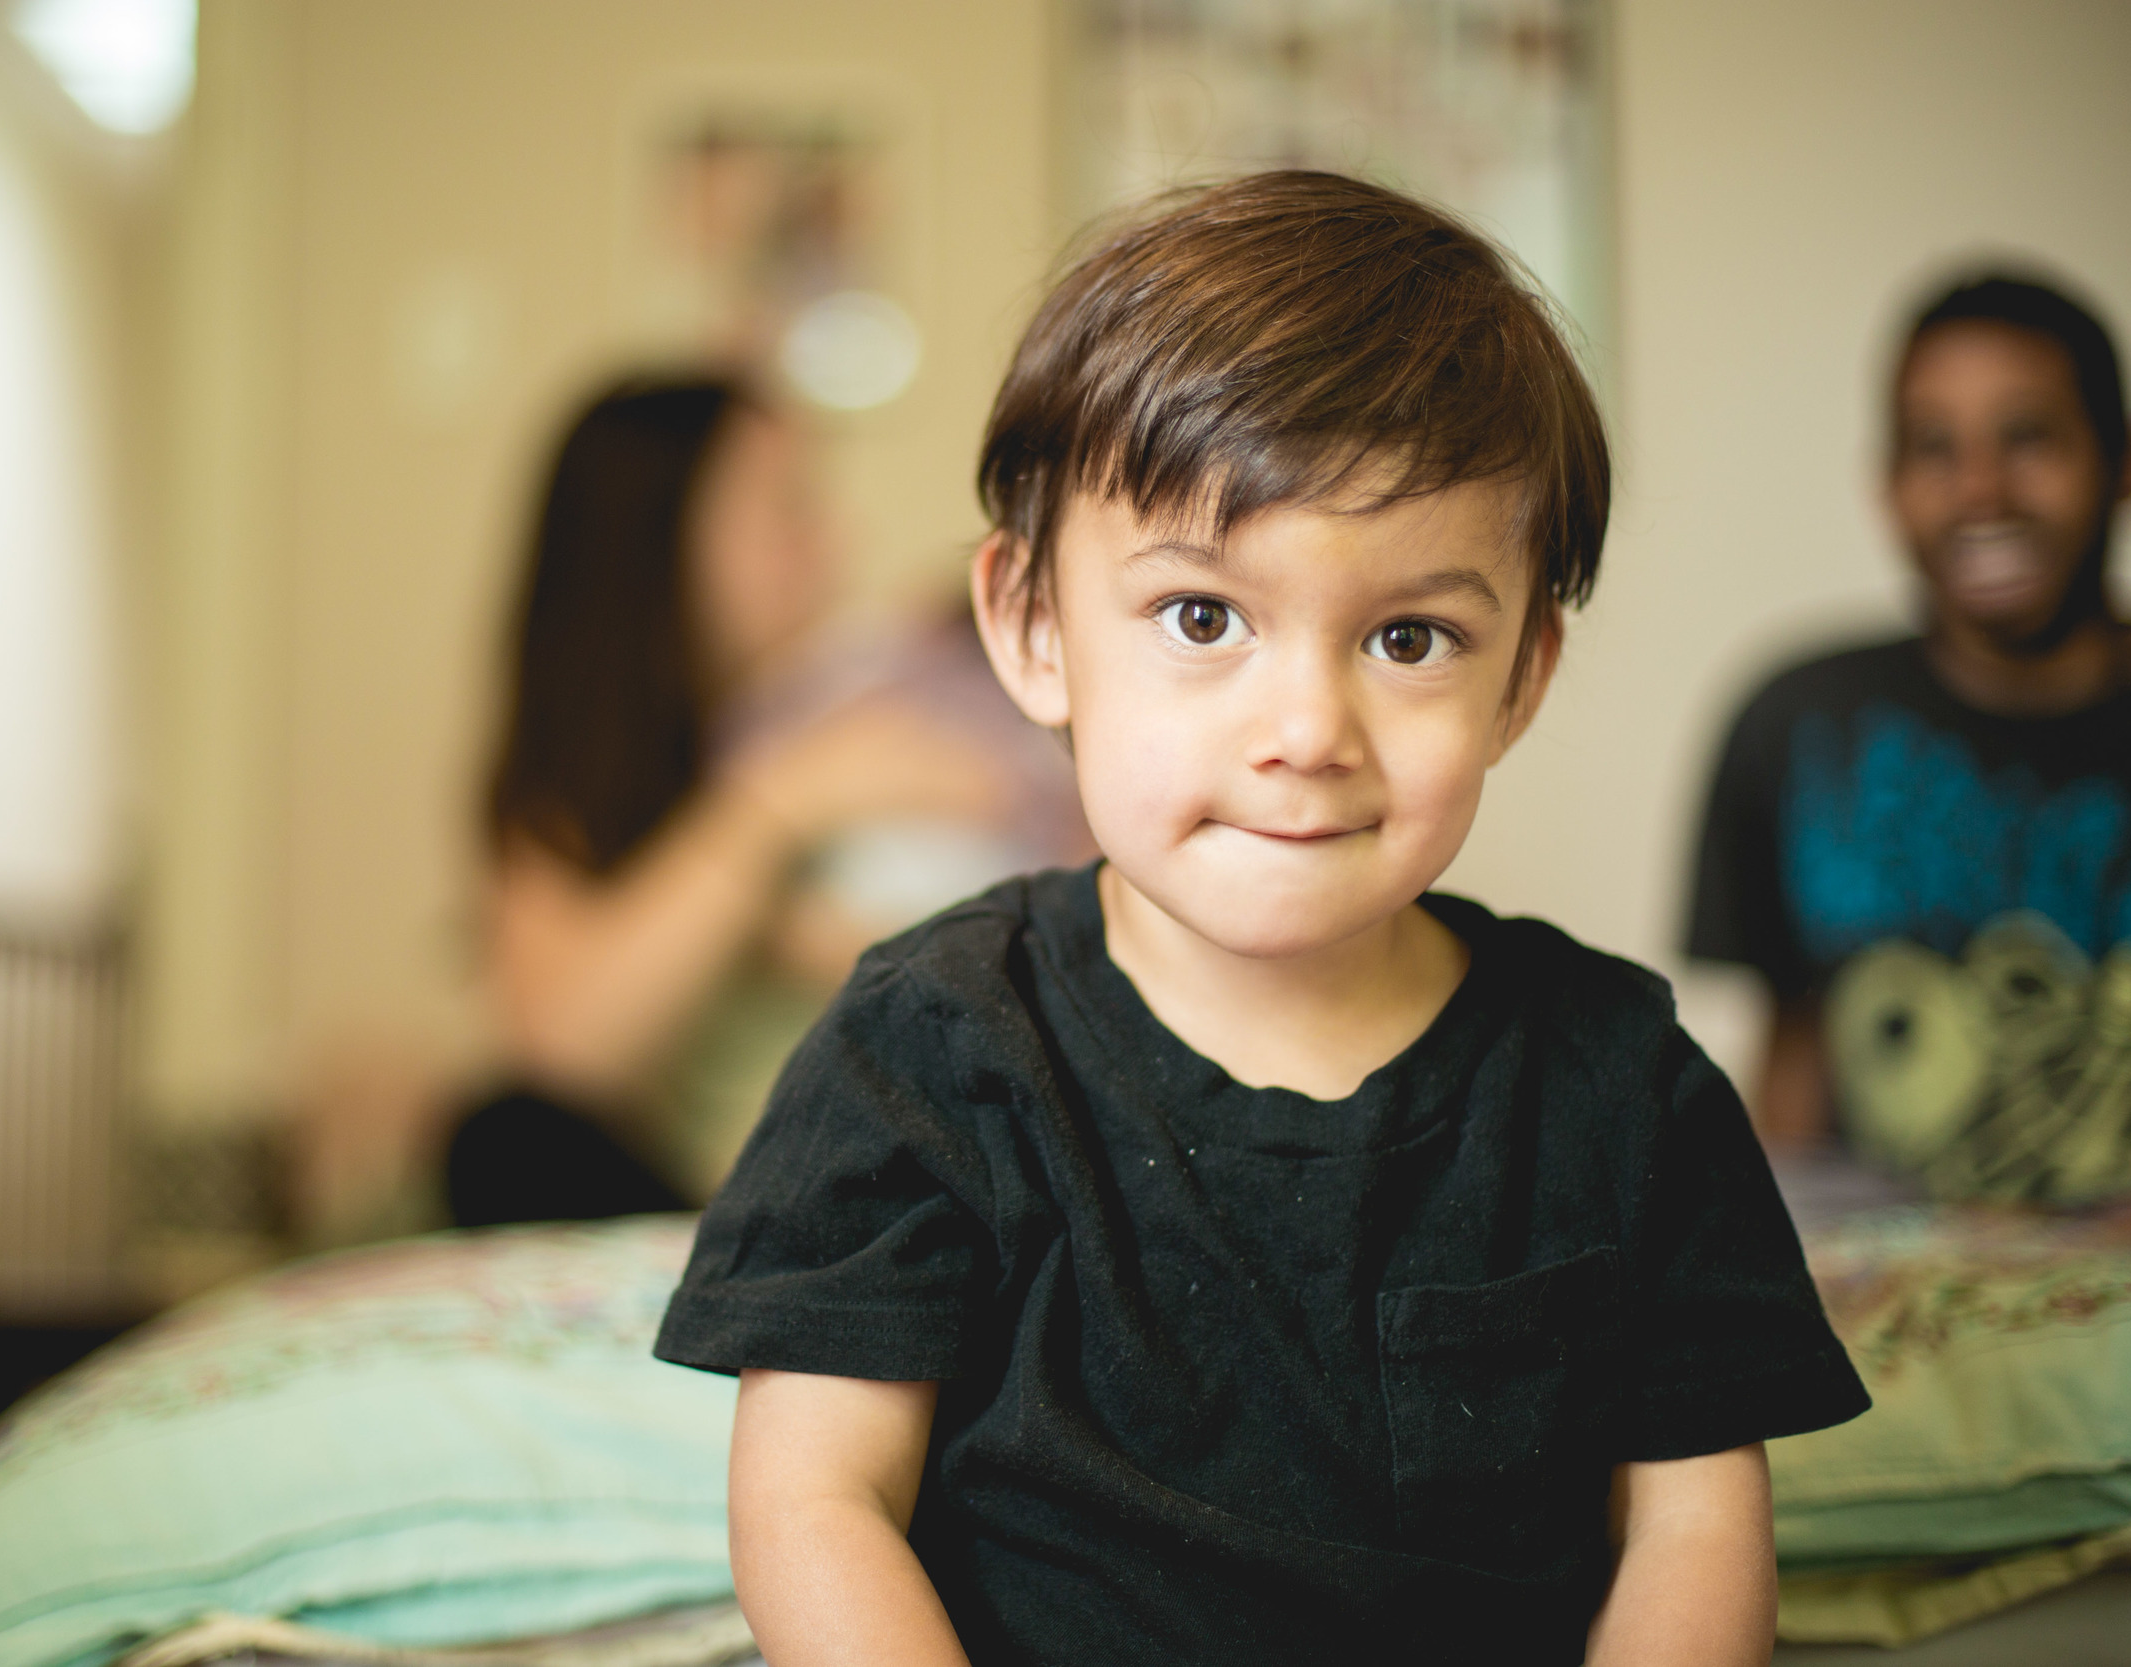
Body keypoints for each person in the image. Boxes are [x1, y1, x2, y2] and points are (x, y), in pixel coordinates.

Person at [652, 173, 1867, 1667]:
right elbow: (813, 1494)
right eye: (1203, 616)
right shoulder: (929, 1041)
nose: (1306, 727)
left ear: (1522, 677)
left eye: (1408, 637)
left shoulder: (1618, 1078)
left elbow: (1691, 1528)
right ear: (1035, 627)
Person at [449, 376, 1072, 1230]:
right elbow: (561, 1056)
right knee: (506, 1142)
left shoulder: (891, 701)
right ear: (661, 543)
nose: (835, 538)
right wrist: (784, 799)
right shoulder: (606, 778)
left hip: (916, 1172)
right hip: (709, 1186)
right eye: (790, 507)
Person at [1688, 273, 2131, 1206]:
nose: (1980, 487)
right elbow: (1794, 1068)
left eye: (2029, 437)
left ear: (2126, 464)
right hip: (1901, 1304)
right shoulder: (1797, 722)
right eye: (1934, 447)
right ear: (1890, 488)